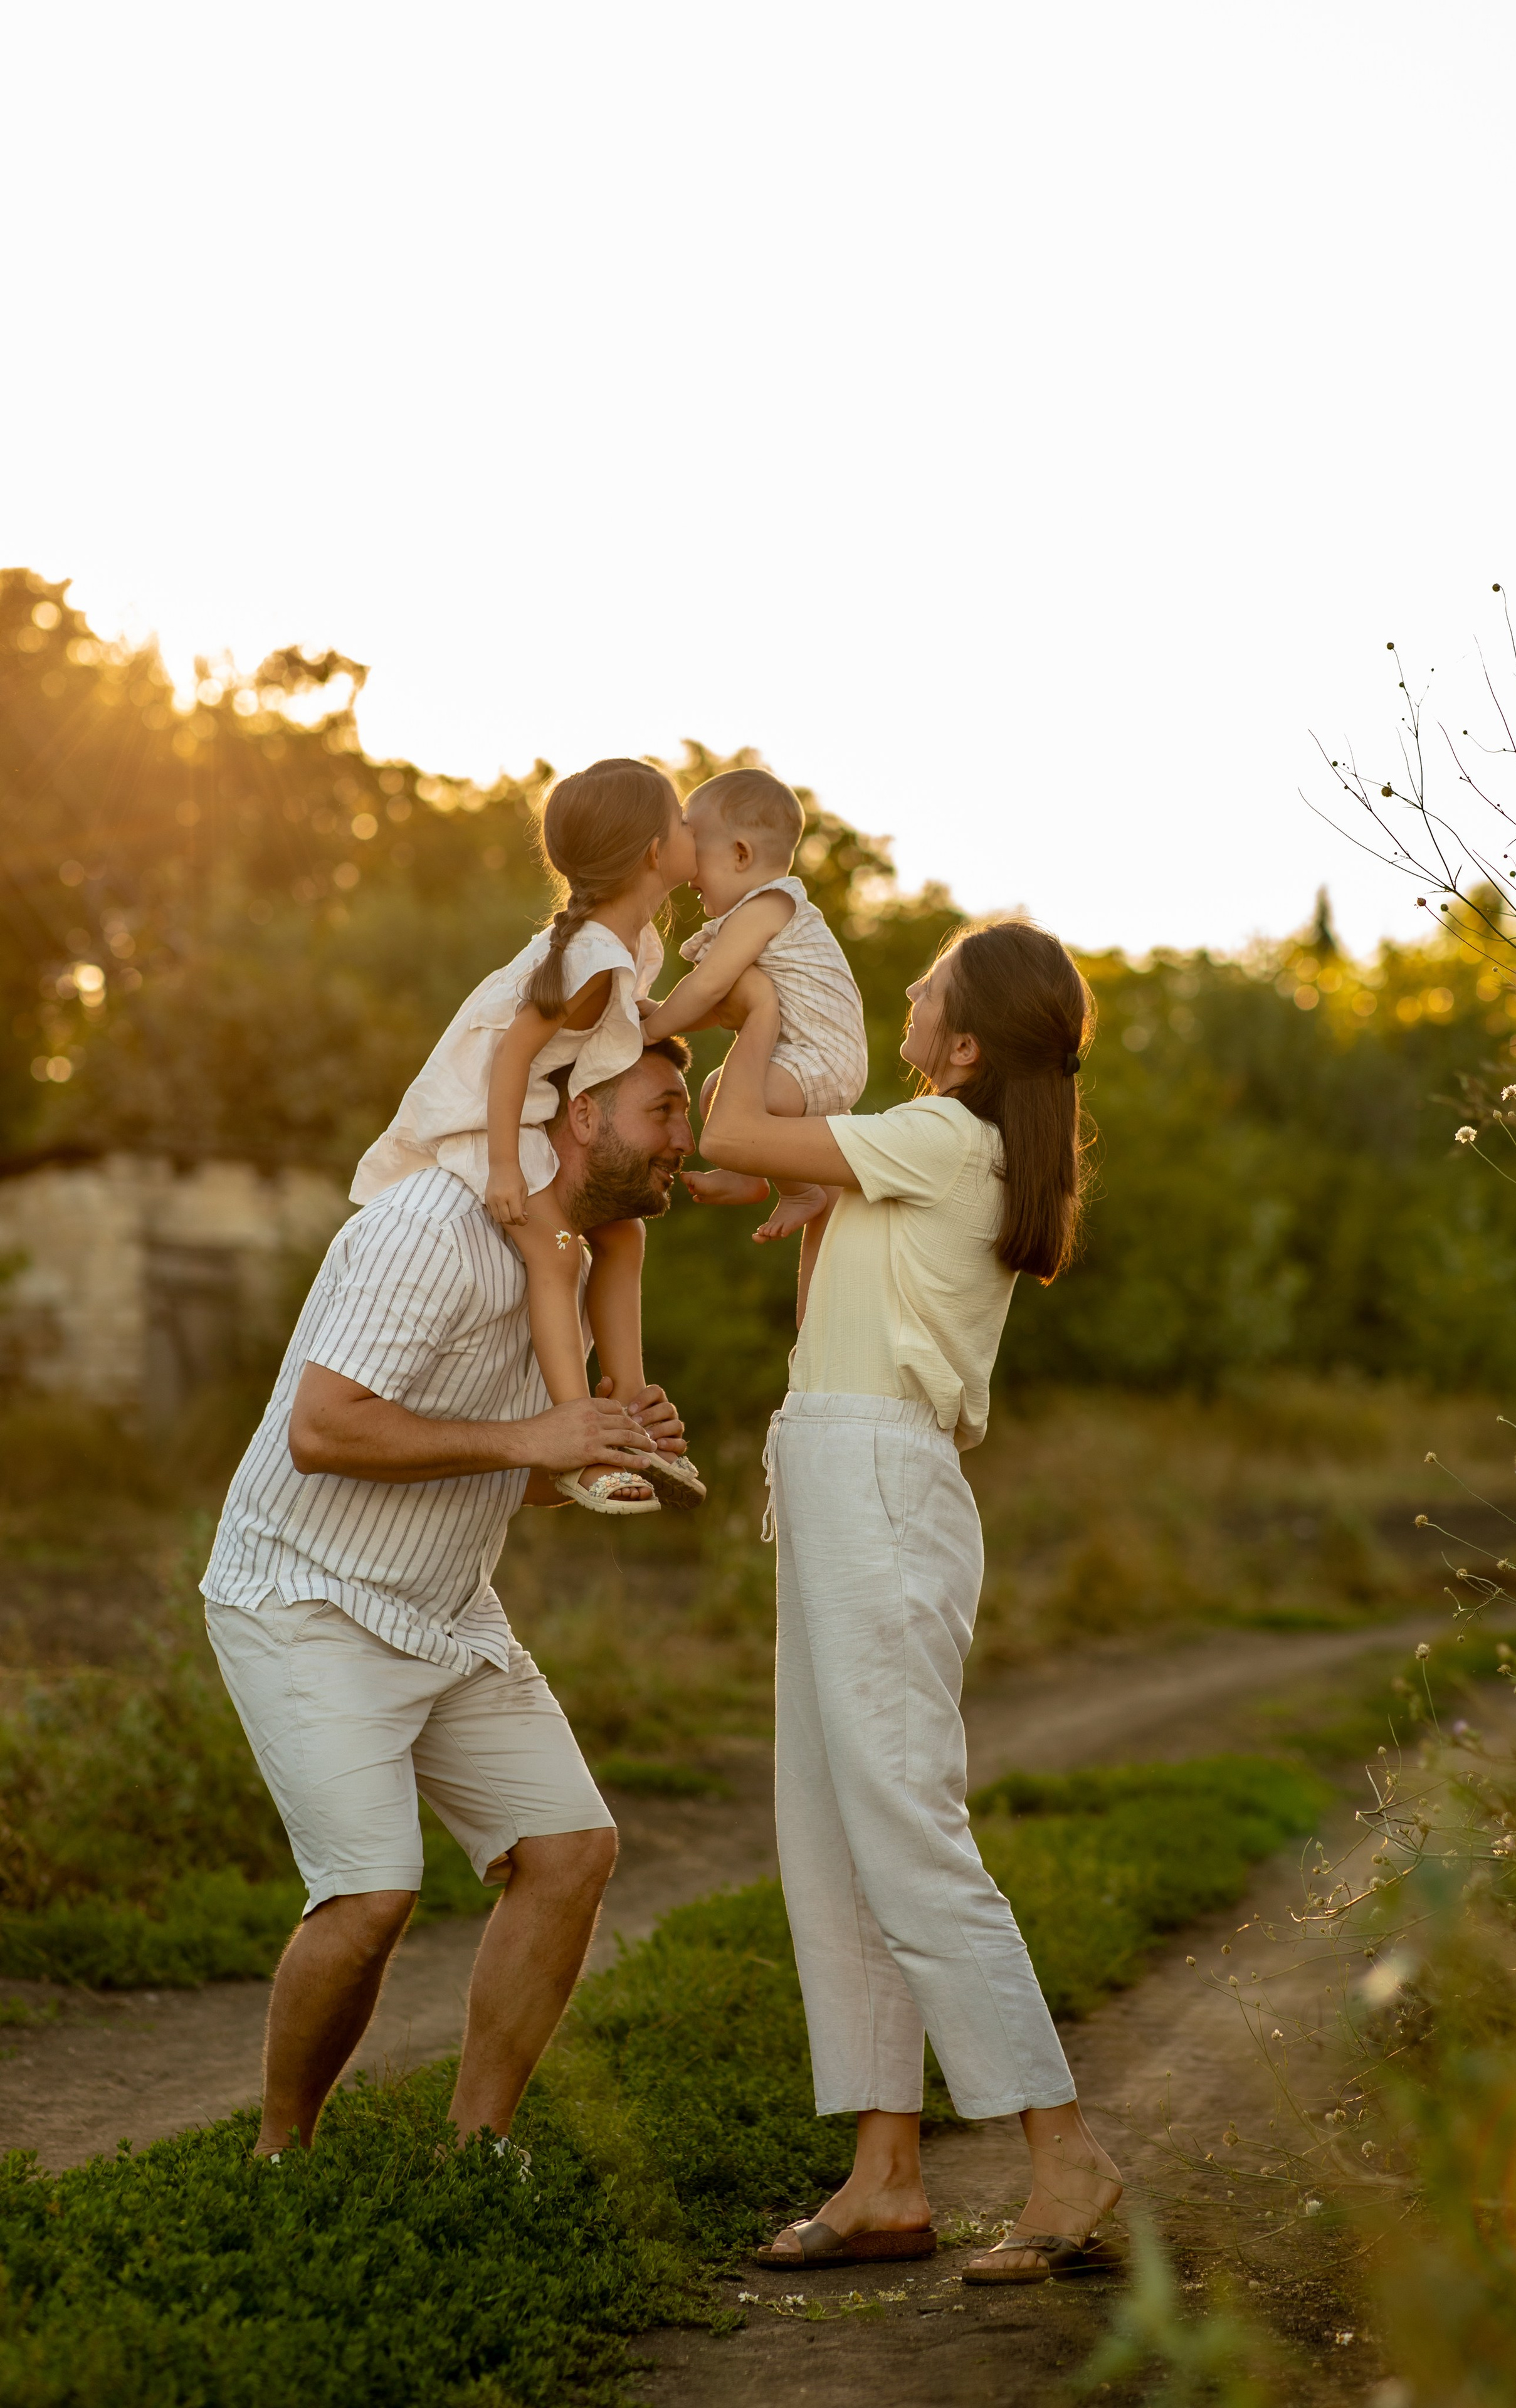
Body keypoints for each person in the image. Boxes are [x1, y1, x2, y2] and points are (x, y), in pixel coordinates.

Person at [700, 919, 1124, 2285]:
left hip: (875, 1482)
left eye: (928, 983)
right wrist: (815, 1196)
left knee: (903, 1829)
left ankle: (1064, 2157)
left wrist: (754, 999)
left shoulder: (942, 1136)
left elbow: (729, 1126)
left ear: (961, 1046)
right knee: (831, 1833)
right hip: (836, 1469)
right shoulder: (931, 1149)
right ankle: (884, 2176)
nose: (905, 989)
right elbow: (799, 1244)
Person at [201, 1038, 695, 2157]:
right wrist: (539, 1436)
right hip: (304, 1596)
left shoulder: (569, 1250)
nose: (686, 1137)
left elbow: (516, 1473)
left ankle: (475, 2153)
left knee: (571, 1851)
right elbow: (323, 1430)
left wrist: (600, 1454)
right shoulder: (431, 1224)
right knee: (371, 1896)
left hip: (447, 1608)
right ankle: (279, 2165)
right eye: (665, 1108)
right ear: (580, 1117)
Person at [350, 757, 704, 1517]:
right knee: (554, 1251)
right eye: (681, 821)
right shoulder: (591, 956)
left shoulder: (627, 946)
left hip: (524, 1108)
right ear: (651, 849)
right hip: (484, 1117)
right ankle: (581, 1439)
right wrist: (507, 1168)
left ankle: (632, 1416)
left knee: (623, 1236)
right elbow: (510, 1055)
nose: (693, 832)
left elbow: (630, 1028)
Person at [641, 767, 868, 1245]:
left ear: (740, 854)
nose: (689, 873)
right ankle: (753, 1172)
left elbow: (706, 987)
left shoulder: (765, 908)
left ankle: (799, 1190)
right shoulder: (762, 914)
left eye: (695, 847)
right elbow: (718, 1000)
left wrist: (651, 1029)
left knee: (726, 1101)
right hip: (813, 1057)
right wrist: (662, 1009)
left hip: (820, 1058)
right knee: (714, 1090)